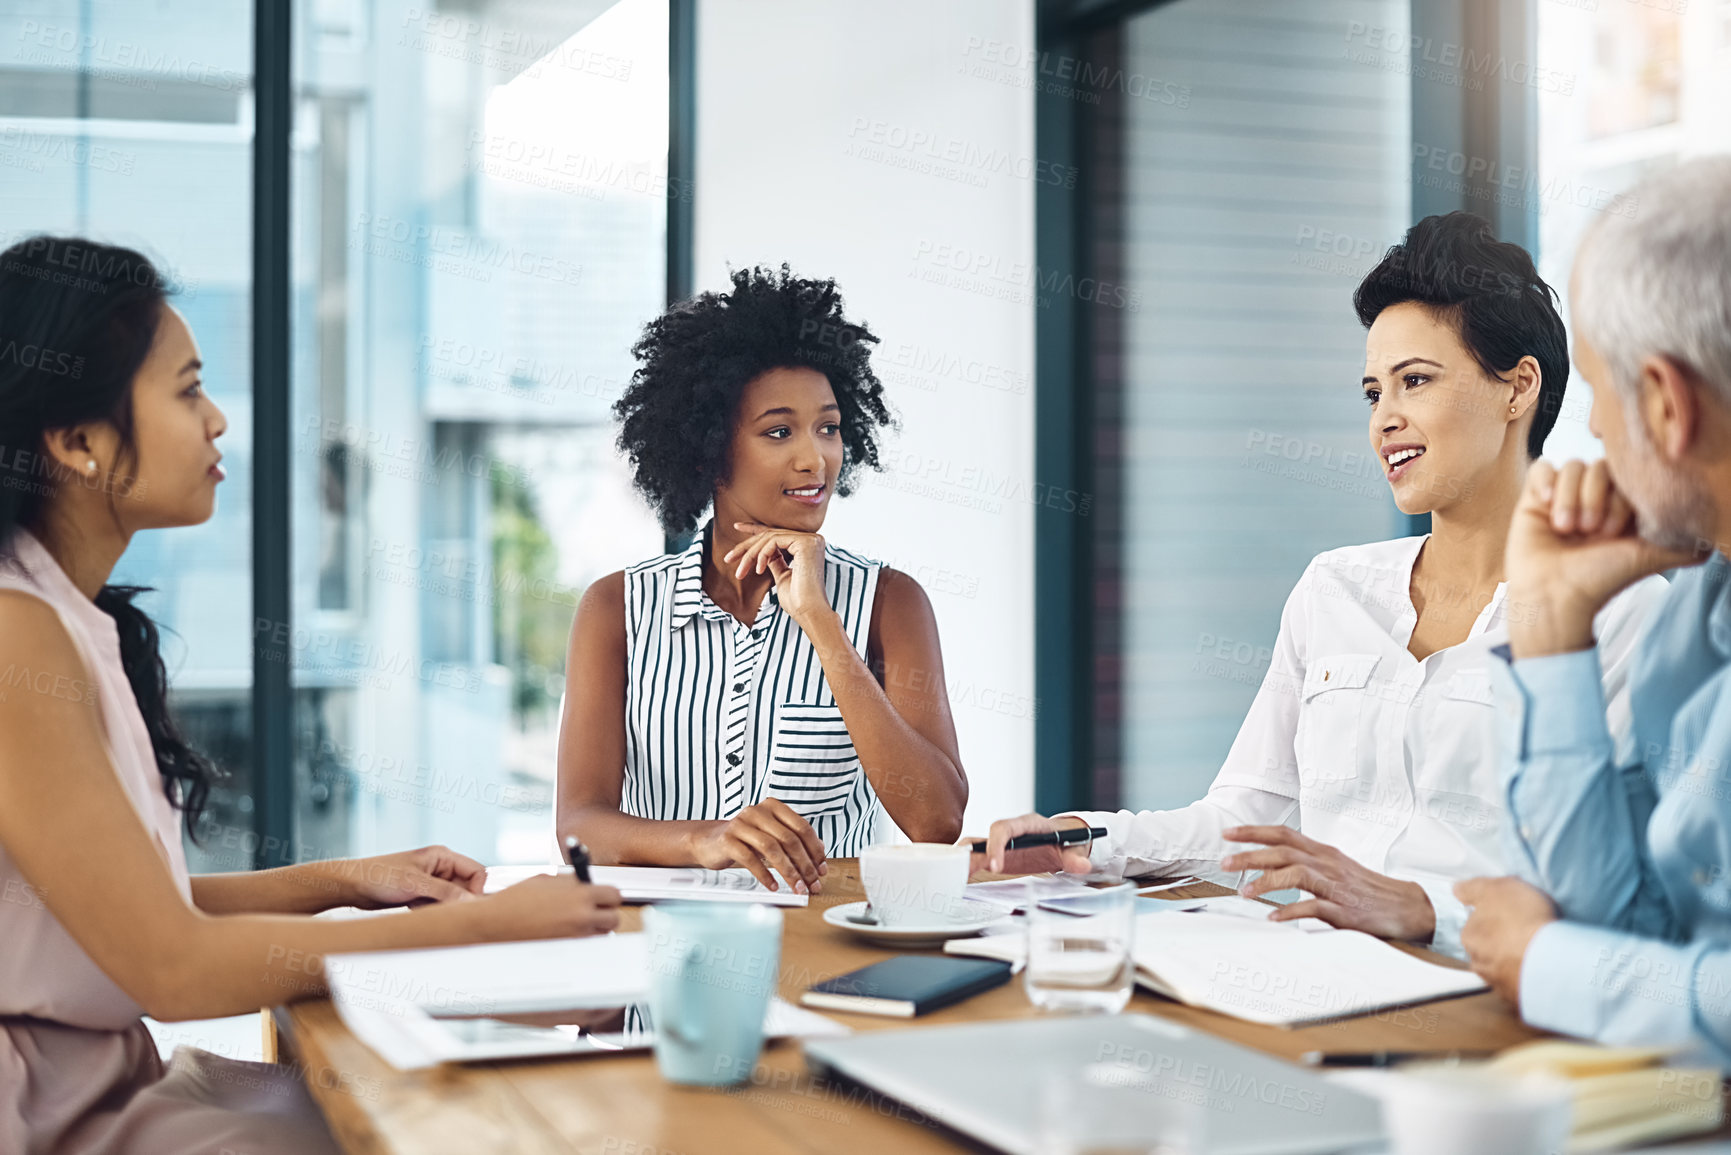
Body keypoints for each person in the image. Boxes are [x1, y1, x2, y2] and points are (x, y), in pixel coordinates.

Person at [0, 236, 624, 1154]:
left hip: (95, 1089)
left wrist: (346, 880)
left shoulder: (55, 614)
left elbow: (124, 914)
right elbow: (169, 966)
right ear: (78, 441)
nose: (217, 421)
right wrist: (485, 932)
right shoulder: (18, 631)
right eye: (186, 389)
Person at [979, 213, 1667, 953]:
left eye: (1415, 381)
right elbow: (1242, 818)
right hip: (1311, 974)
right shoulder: (1333, 587)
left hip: (1488, 1004)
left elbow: (1619, 900)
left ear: (1517, 386)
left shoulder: (1625, 615)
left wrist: (1422, 908)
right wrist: (1084, 837)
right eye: (1374, 393)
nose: (1385, 420)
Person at [556, 266, 968, 896]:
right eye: (779, 432)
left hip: (830, 962)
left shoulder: (891, 603)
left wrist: (822, 625)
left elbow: (936, 821)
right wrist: (707, 839)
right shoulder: (617, 608)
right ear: (707, 450)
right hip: (667, 961)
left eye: (828, 428)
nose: (815, 459)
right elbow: (579, 827)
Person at [1456, 158, 1731, 1062]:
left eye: (1605, 394)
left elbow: (1577, 947)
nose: (1597, 434)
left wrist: (1549, 962)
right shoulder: (1700, 608)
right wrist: (1546, 623)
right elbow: (1628, 920)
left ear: (1663, 401)